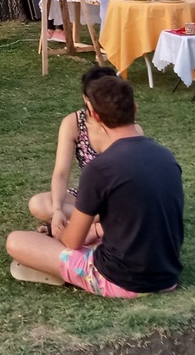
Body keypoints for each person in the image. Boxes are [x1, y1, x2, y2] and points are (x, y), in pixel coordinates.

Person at [6, 74, 183, 297]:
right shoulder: (166, 157)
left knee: (16, 241)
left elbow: (72, 241)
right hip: (167, 276)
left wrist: (55, 233)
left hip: (121, 280)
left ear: (95, 116)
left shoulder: (100, 168)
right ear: (135, 109)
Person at [26, 67, 136, 240]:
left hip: (118, 201)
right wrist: (57, 210)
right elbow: (61, 173)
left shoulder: (127, 128)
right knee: (39, 203)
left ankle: (81, 228)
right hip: (91, 199)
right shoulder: (74, 123)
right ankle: (94, 226)